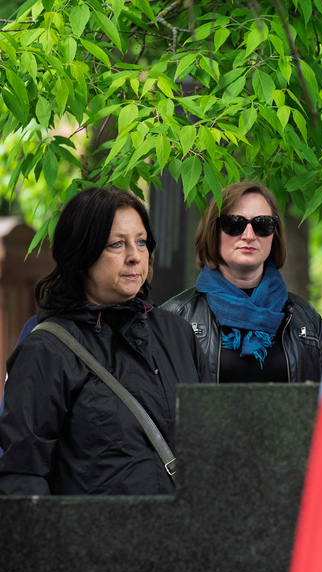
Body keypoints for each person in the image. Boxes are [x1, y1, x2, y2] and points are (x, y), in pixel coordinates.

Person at [0, 187, 209, 495]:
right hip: (92, 540)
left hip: (183, 538)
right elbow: (23, 478)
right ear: (82, 255)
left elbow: (211, 445)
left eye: (141, 242)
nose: (135, 256)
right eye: (116, 245)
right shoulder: (46, 350)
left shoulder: (177, 334)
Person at [161, 182, 322, 383]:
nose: (249, 236)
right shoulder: (176, 316)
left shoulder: (307, 319)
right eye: (234, 223)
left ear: (274, 234)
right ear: (213, 231)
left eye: (262, 224)